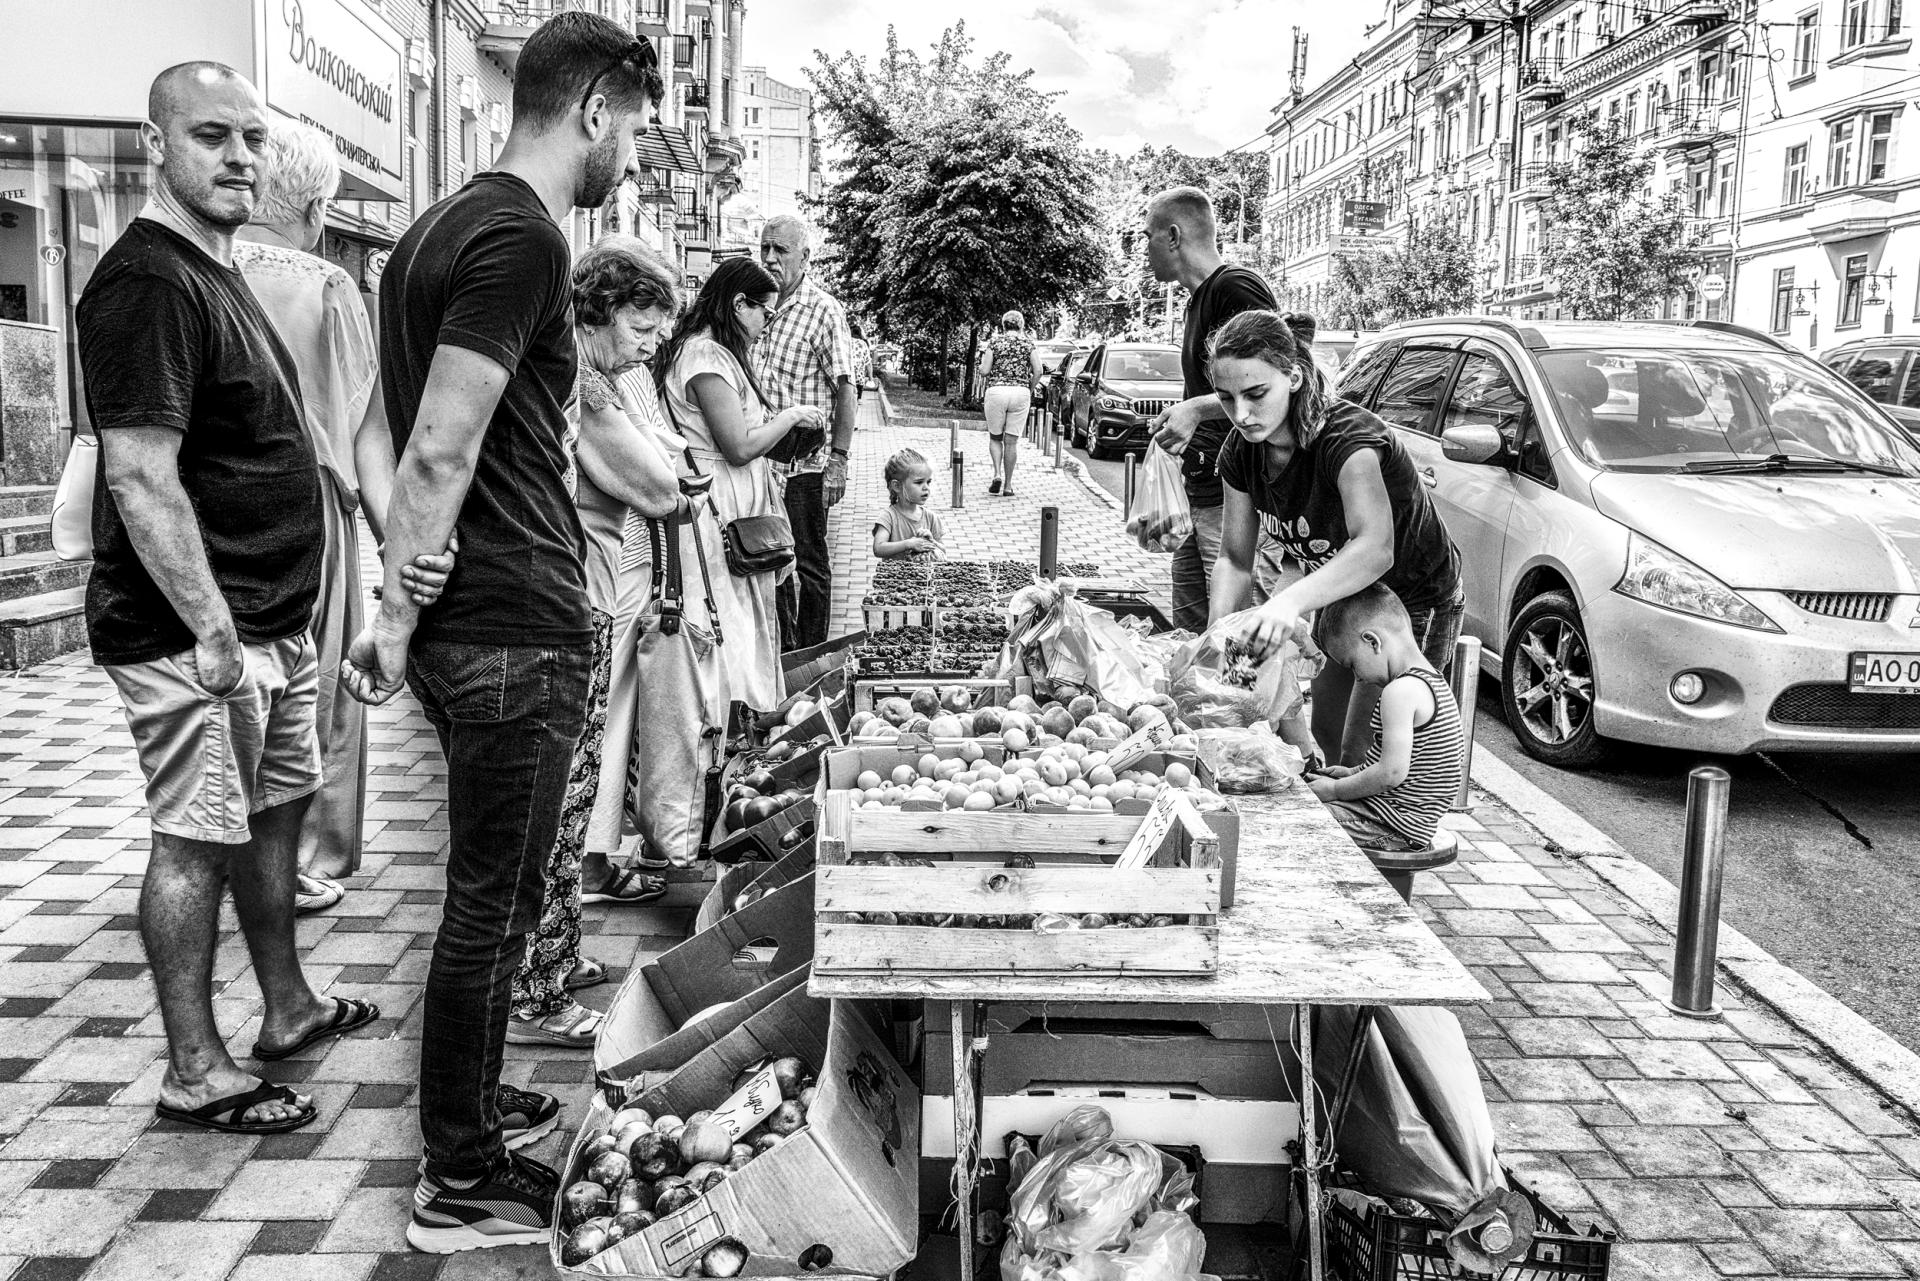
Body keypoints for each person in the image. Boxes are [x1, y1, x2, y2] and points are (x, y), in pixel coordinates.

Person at [337, 12, 663, 1253]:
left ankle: (471, 1103)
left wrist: (403, 576)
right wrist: (393, 606)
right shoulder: (525, 238)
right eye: (631, 128)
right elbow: (437, 443)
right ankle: (461, 1176)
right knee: (494, 902)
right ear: (592, 110)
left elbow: (377, 437)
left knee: (500, 892)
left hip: (475, 615)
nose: (629, 155)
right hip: (515, 622)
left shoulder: (426, 231)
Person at [77, 62, 379, 1138]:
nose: (239, 158)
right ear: (155, 142)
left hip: (271, 621)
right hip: (198, 634)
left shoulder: (218, 269)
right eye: (213, 136)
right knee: (193, 839)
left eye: (252, 139)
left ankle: (286, 1007)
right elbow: (140, 474)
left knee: (274, 814)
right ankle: (195, 1070)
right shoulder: (147, 281)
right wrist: (212, 632)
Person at [232, 121, 454, 916]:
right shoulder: (325, 286)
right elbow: (369, 442)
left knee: (224, 695)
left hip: (208, 519)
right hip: (306, 515)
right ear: (317, 206)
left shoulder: (194, 271)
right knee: (314, 691)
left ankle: (221, 855)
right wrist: (408, 551)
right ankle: (293, 862)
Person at [507, 235, 681, 1049]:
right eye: (645, 326)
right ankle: (536, 990)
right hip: (565, 597)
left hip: (582, 592)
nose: (653, 345)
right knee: (559, 796)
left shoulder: (594, 373)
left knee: (572, 795)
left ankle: (557, 956)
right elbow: (654, 483)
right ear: (607, 308)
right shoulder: (583, 373)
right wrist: (673, 482)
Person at [1208, 311, 1464, 767]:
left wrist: (1286, 605)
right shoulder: (1240, 451)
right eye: (1226, 398)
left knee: (1374, 751)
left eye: (1256, 394)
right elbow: (1234, 559)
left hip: (1411, 600)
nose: (1241, 415)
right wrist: (1224, 648)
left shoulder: (1348, 439)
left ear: (1294, 376)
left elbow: (1375, 547)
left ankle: (1381, 836)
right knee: (1327, 733)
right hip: (1341, 595)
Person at [660, 256, 826, 711]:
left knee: (740, 614)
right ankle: (724, 721)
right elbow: (737, 445)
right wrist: (790, 416)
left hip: (732, 500)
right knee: (724, 619)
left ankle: (739, 721)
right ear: (738, 304)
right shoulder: (705, 356)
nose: (767, 325)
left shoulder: (715, 352)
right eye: (765, 313)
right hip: (719, 506)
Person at [1143, 187, 1281, 631]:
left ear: (1173, 235)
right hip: (1198, 492)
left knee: (1238, 639)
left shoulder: (1235, 288)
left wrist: (1196, 410)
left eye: (1147, 237)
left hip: (1235, 500)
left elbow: (1273, 382)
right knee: (1189, 637)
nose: (1144, 249)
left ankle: (1247, 704)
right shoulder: (1197, 300)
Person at [1306, 585, 1466, 902]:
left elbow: (1391, 773)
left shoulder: (1399, 692)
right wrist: (1349, 774)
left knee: (1304, 822)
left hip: (1392, 829)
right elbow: (1400, 765)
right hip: (1402, 820)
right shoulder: (1429, 680)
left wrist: (1336, 791)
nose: (1358, 676)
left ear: (1373, 642)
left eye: (1352, 664)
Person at [755, 213, 857, 652]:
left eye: (781, 250)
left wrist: (839, 459)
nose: (771, 258)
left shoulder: (823, 310)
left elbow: (846, 386)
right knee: (770, 559)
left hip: (807, 465)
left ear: (805, 257)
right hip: (761, 461)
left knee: (809, 564)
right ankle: (784, 652)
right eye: (765, 249)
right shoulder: (758, 303)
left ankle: (812, 655)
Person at [979, 310, 1039, 496]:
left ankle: (997, 474)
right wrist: (1028, 388)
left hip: (997, 391)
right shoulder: (1028, 343)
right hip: (1020, 393)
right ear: (1021, 325)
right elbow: (1038, 371)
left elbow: (984, 370)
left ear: (1003, 325)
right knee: (1012, 442)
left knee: (996, 437)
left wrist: (983, 364)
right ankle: (1008, 485)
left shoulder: (995, 342)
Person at [872, 448, 944, 558]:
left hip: (926, 574)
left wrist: (932, 542)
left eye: (928, 482)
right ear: (897, 486)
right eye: (919, 482)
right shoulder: (889, 517)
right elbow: (878, 548)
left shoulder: (931, 518)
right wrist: (908, 544)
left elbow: (943, 551)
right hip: (893, 575)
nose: (926, 488)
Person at [850, 321, 876, 402]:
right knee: (857, 400)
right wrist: (871, 378)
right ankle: (858, 400)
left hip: (848, 375)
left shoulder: (846, 341)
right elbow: (868, 363)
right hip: (859, 377)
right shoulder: (863, 344)